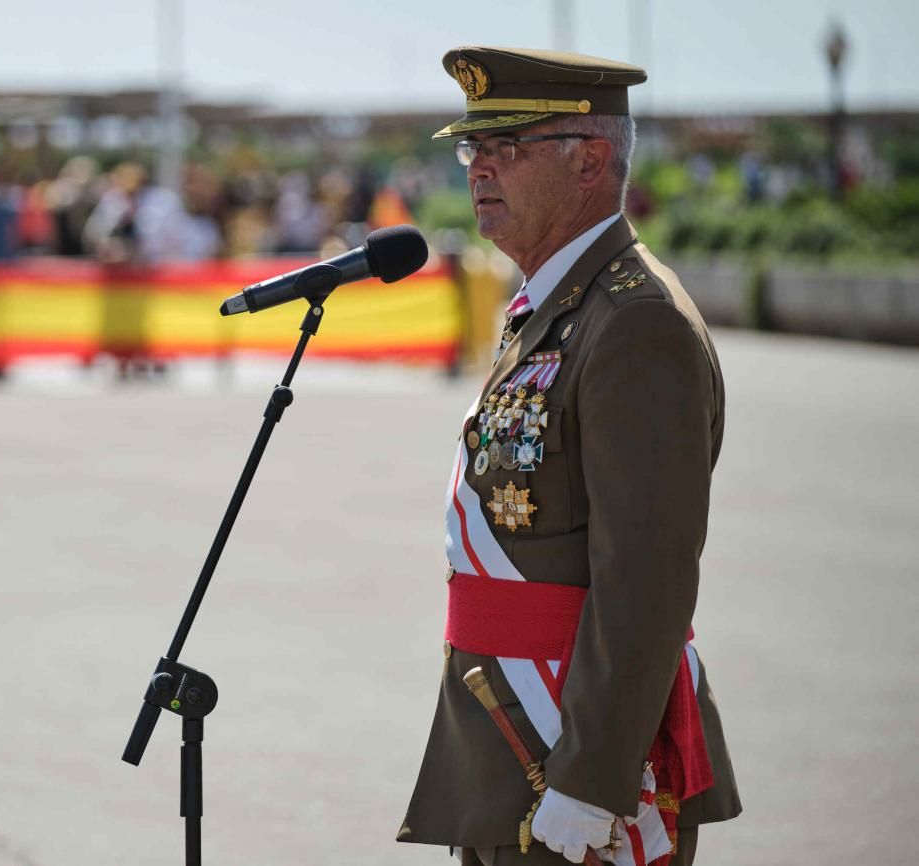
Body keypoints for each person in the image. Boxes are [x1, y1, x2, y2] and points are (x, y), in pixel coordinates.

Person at [397, 47, 741, 865]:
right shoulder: (552, 304)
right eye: (471, 148)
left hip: (576, 755)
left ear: (590, 160)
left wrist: (590, 784)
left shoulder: (635, 323)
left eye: (506, 147)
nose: (478, 167)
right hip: (507, 734)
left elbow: (644, 581)